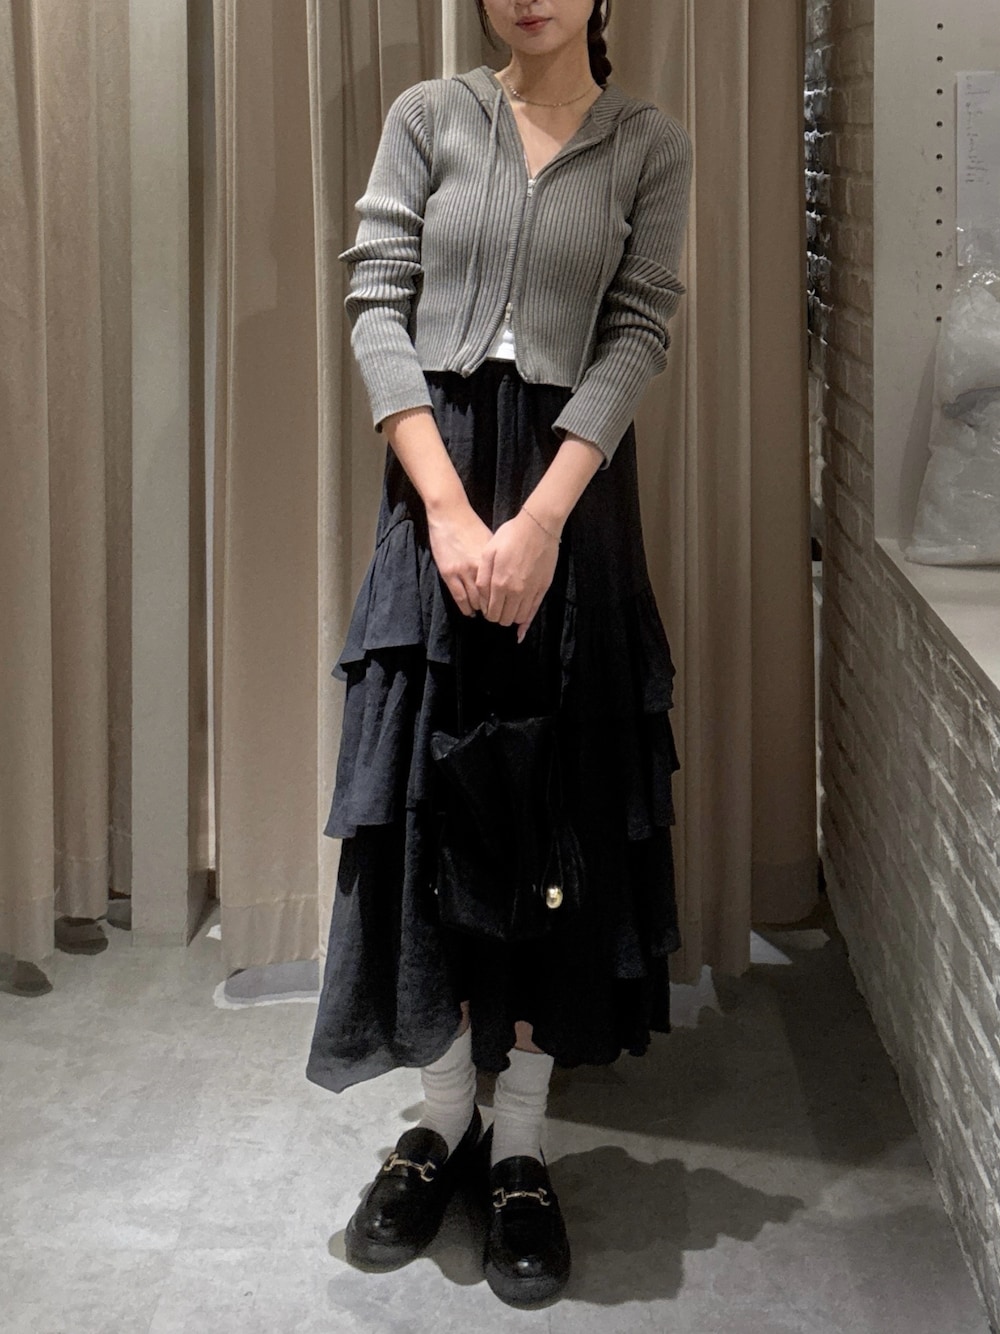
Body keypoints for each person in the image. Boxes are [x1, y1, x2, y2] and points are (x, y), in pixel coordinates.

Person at [306, 0, 693, 1307]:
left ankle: (521, 1139)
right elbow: (377, 306)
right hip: (437, 481)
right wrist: (452, 512)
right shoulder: (429, 117)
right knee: (427, 795)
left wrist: (537, 524)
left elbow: (638, 330)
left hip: (571, 496)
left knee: (555, 804)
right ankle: (438, 1121)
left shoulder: (649, 143)